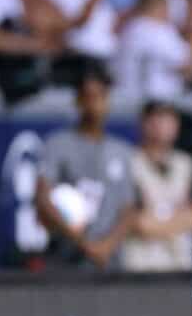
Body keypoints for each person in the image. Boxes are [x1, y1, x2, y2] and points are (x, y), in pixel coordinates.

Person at [34, 65, 136, 270]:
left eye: (100, 96)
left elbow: (128, 208)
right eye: (88, 97)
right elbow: (43, 199)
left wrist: (106, 246)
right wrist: (83, 243)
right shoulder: (57, 144)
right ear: (78, 101)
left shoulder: (122, 151)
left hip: (109, 261)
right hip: (64, 259)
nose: (95, 104)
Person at [122, 100, 192, 272]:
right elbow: (137, 222)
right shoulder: (128, 162)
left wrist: (157, 220)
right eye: (154, 118)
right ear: (142, 123)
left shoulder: (187, 164)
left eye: (167, 118)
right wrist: (180, 219)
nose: (160, 124)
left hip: (182, 266)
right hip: (140, 267)